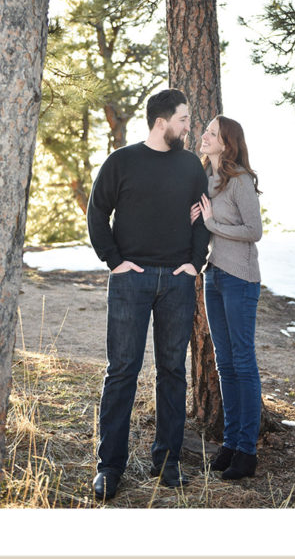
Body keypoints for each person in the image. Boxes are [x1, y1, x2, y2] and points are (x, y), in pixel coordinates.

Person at [86, 89, 209, 501]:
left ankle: (168, 460)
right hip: (130, 281)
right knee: (122, 371)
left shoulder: (192, 166)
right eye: (184, 119)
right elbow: (96, 210)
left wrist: (195, 262)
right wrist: (114, 261)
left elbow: (202, 216)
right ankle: (109, 467)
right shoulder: (121, 161)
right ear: (162, 122)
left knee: (173, 371)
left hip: (177, 281)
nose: (188, 126)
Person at [192, 115, 263, 480]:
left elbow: (254, 231)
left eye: (212, 133)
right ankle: (231, 442)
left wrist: (211, 224)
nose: (204, 135)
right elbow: (205, 222)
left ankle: (247, 450)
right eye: (205, 130)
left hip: (240, 279)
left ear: (227, 143)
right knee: (224, 364)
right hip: (214, 276)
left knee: (243, 362)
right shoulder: (207, 178)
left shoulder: (240, 182)